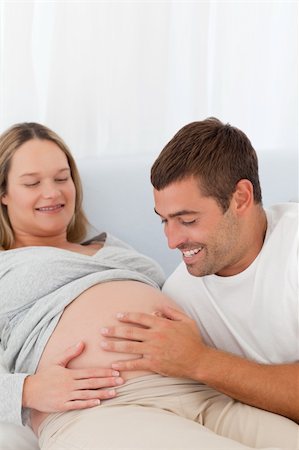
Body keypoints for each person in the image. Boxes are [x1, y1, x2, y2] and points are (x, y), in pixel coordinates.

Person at [1, 121, 287, 450]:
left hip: (202, 393)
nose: (52, 192)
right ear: (4, 193)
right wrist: (28, 390)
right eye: (32, 182)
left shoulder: (119, 249)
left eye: (62, 178)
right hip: (106, 407)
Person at [99, 118, 299, 448]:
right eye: (164, 220)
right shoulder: (181, 296)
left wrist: (200, 361)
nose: (172, 240)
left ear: (241, 198)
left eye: (187, 220)